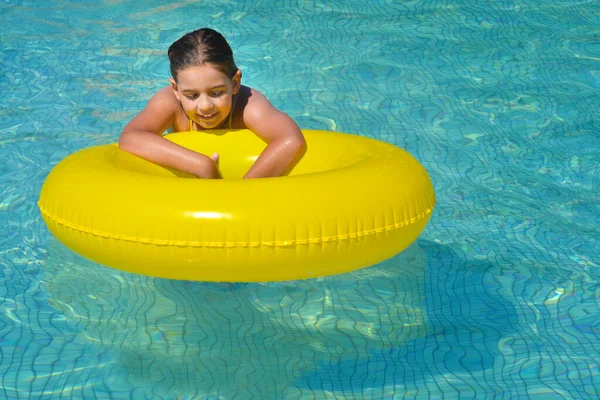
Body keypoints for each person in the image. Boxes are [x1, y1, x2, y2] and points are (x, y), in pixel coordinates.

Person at [119, 28, 306, 179]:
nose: (205, 106)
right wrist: (202, 165)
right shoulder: (169, 103)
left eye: (216, 93)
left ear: (235, 83)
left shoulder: (248, 104)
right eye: (191, 95)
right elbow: (130, 137)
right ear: (176, 89)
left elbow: (291, 140)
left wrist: (239, 193)